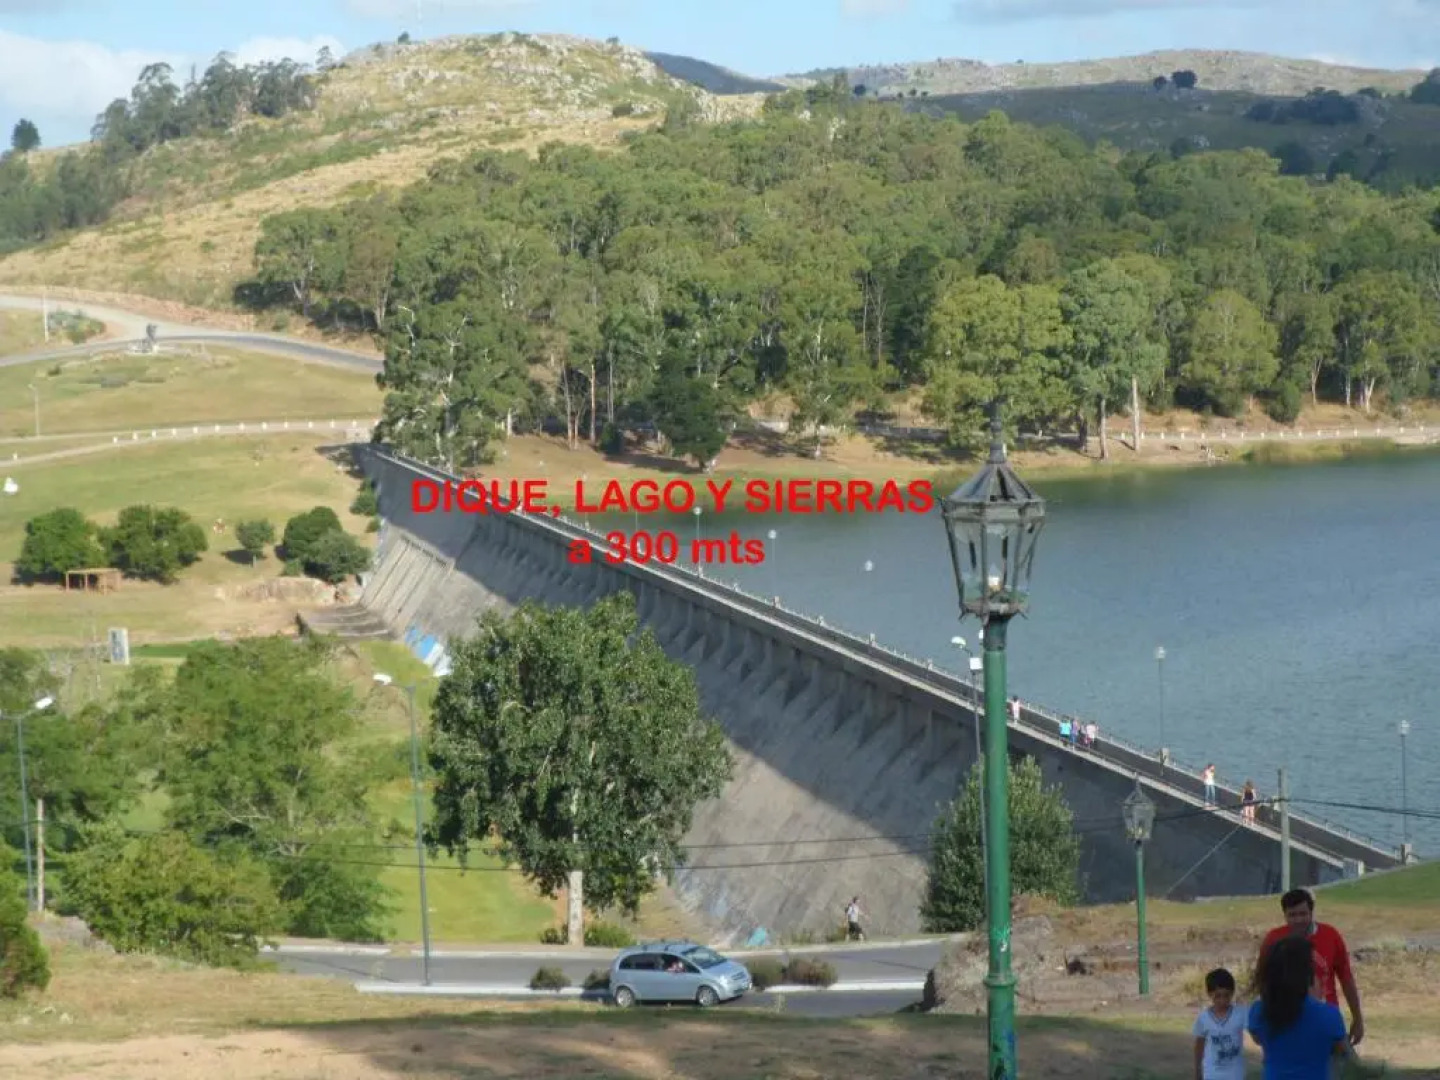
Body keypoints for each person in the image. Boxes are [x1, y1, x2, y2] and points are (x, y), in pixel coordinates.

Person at [1254, 888, 1364, 1053]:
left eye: (1303, 914)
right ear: (1284, 915)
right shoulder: (1274, 939)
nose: (1298, 920)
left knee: (1345, 1063)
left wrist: (1357, 1017)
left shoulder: (1330, 935)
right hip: (1289, 1021)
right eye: (1292, 915)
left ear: (1311, 912)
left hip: (1326, 1019)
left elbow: (1346, 978)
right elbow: (1263, 979)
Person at [1247, 935, 1349, 1080]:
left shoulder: (1258, 1012)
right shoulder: (1330, 1015)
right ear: (1308, 974)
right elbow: (1341, 1049)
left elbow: (1258, 1039)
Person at [1193, 967, 1247, 1080]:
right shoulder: (1203, 1018)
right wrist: (1198, 1071)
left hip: (1235, 1075)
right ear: (1209, 994)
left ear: (1232, 993)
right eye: (1217, 996)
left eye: (1227, 995)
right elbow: (1199, 1046)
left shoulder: (1241, 1014)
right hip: (1212, 1075)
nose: (1222, 1001)